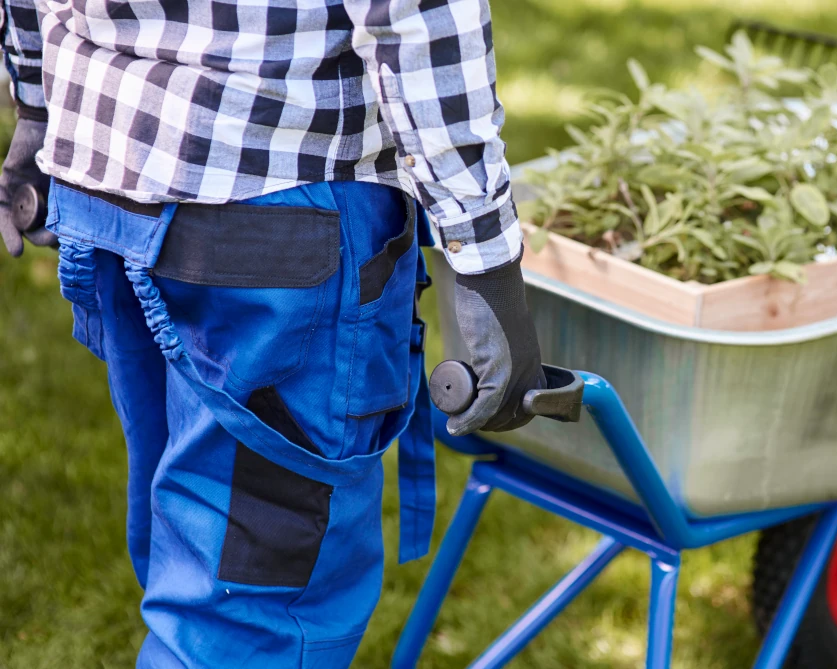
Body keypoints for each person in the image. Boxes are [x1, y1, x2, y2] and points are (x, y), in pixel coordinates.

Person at [0, 0, 545, 666]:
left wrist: (35, 107)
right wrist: (484, 257)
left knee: (202, 558)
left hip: (107, 174)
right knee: (253, 619)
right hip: (274, 212)